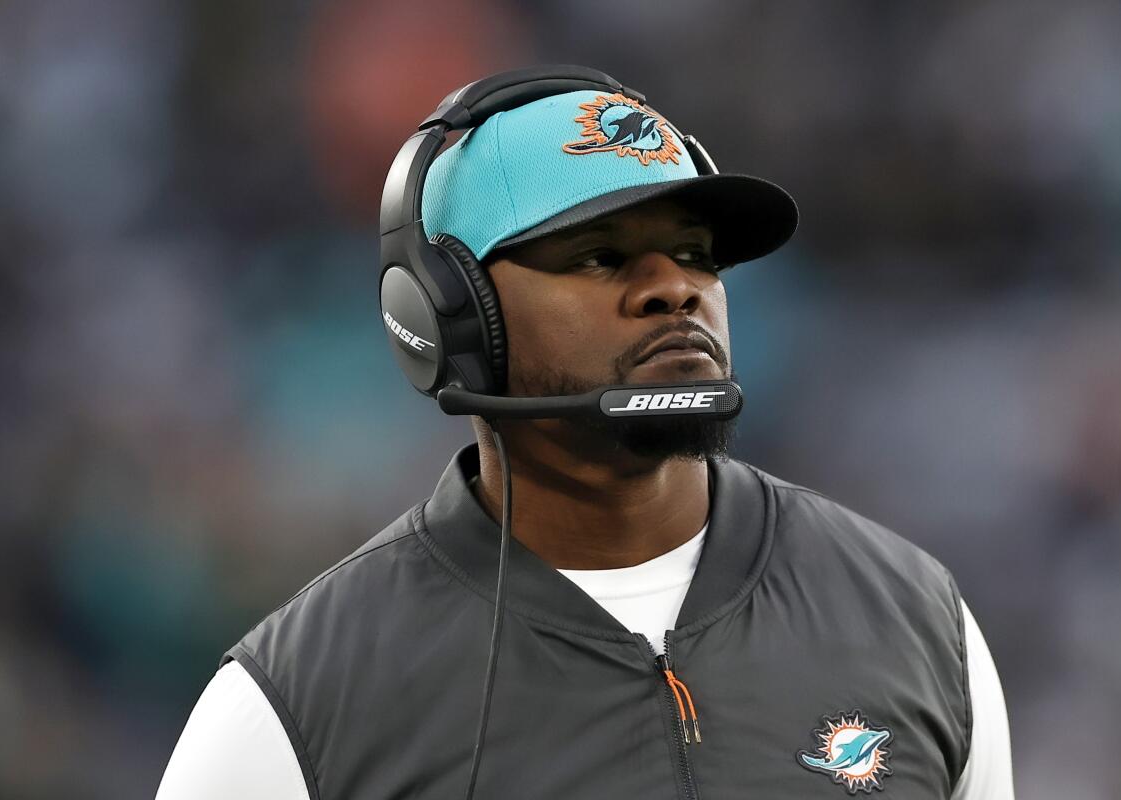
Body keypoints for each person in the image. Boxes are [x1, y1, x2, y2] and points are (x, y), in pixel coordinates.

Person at [157, 67, 1013, 799]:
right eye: (598, 257)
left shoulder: (915, 621)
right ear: (454, 315)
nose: (674, 290)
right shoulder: (294, 706)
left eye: (696, 253)